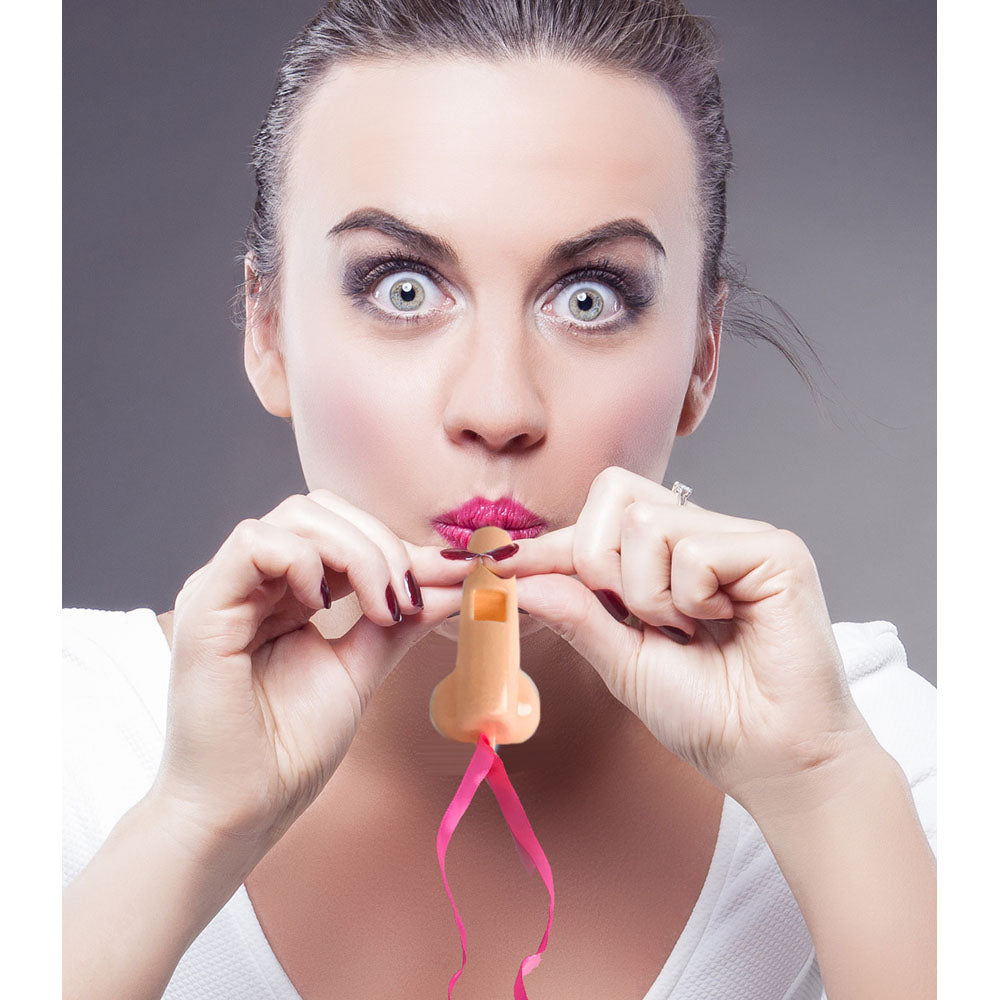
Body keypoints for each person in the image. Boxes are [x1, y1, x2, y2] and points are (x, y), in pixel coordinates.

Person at [62, 2, 936, 998]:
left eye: (589, 298)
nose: (498, 407)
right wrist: (187, 822)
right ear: (266, 332)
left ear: (701, 357)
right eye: (400, 289)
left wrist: (823, 793)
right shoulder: (57, 734)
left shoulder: (878, 757)